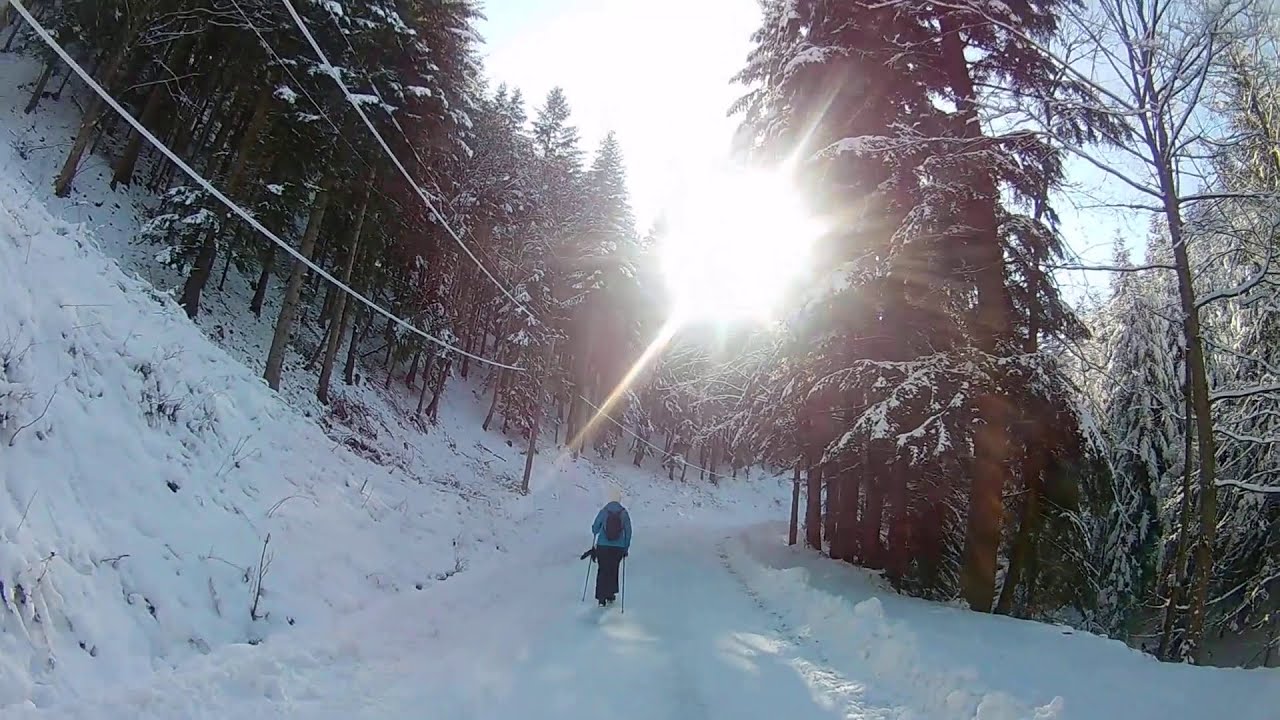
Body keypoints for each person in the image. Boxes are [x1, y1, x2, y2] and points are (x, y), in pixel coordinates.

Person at [590, 487, 632, 607]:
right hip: (617, 548)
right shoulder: (624, 513)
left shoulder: (604, 511)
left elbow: (595, 528)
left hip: (603, 546)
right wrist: (626, 547)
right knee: (613, 570)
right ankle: (610, 594)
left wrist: (596, 532)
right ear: (619, 499)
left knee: (602, 570)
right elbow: (628, 532)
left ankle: (601, 598)